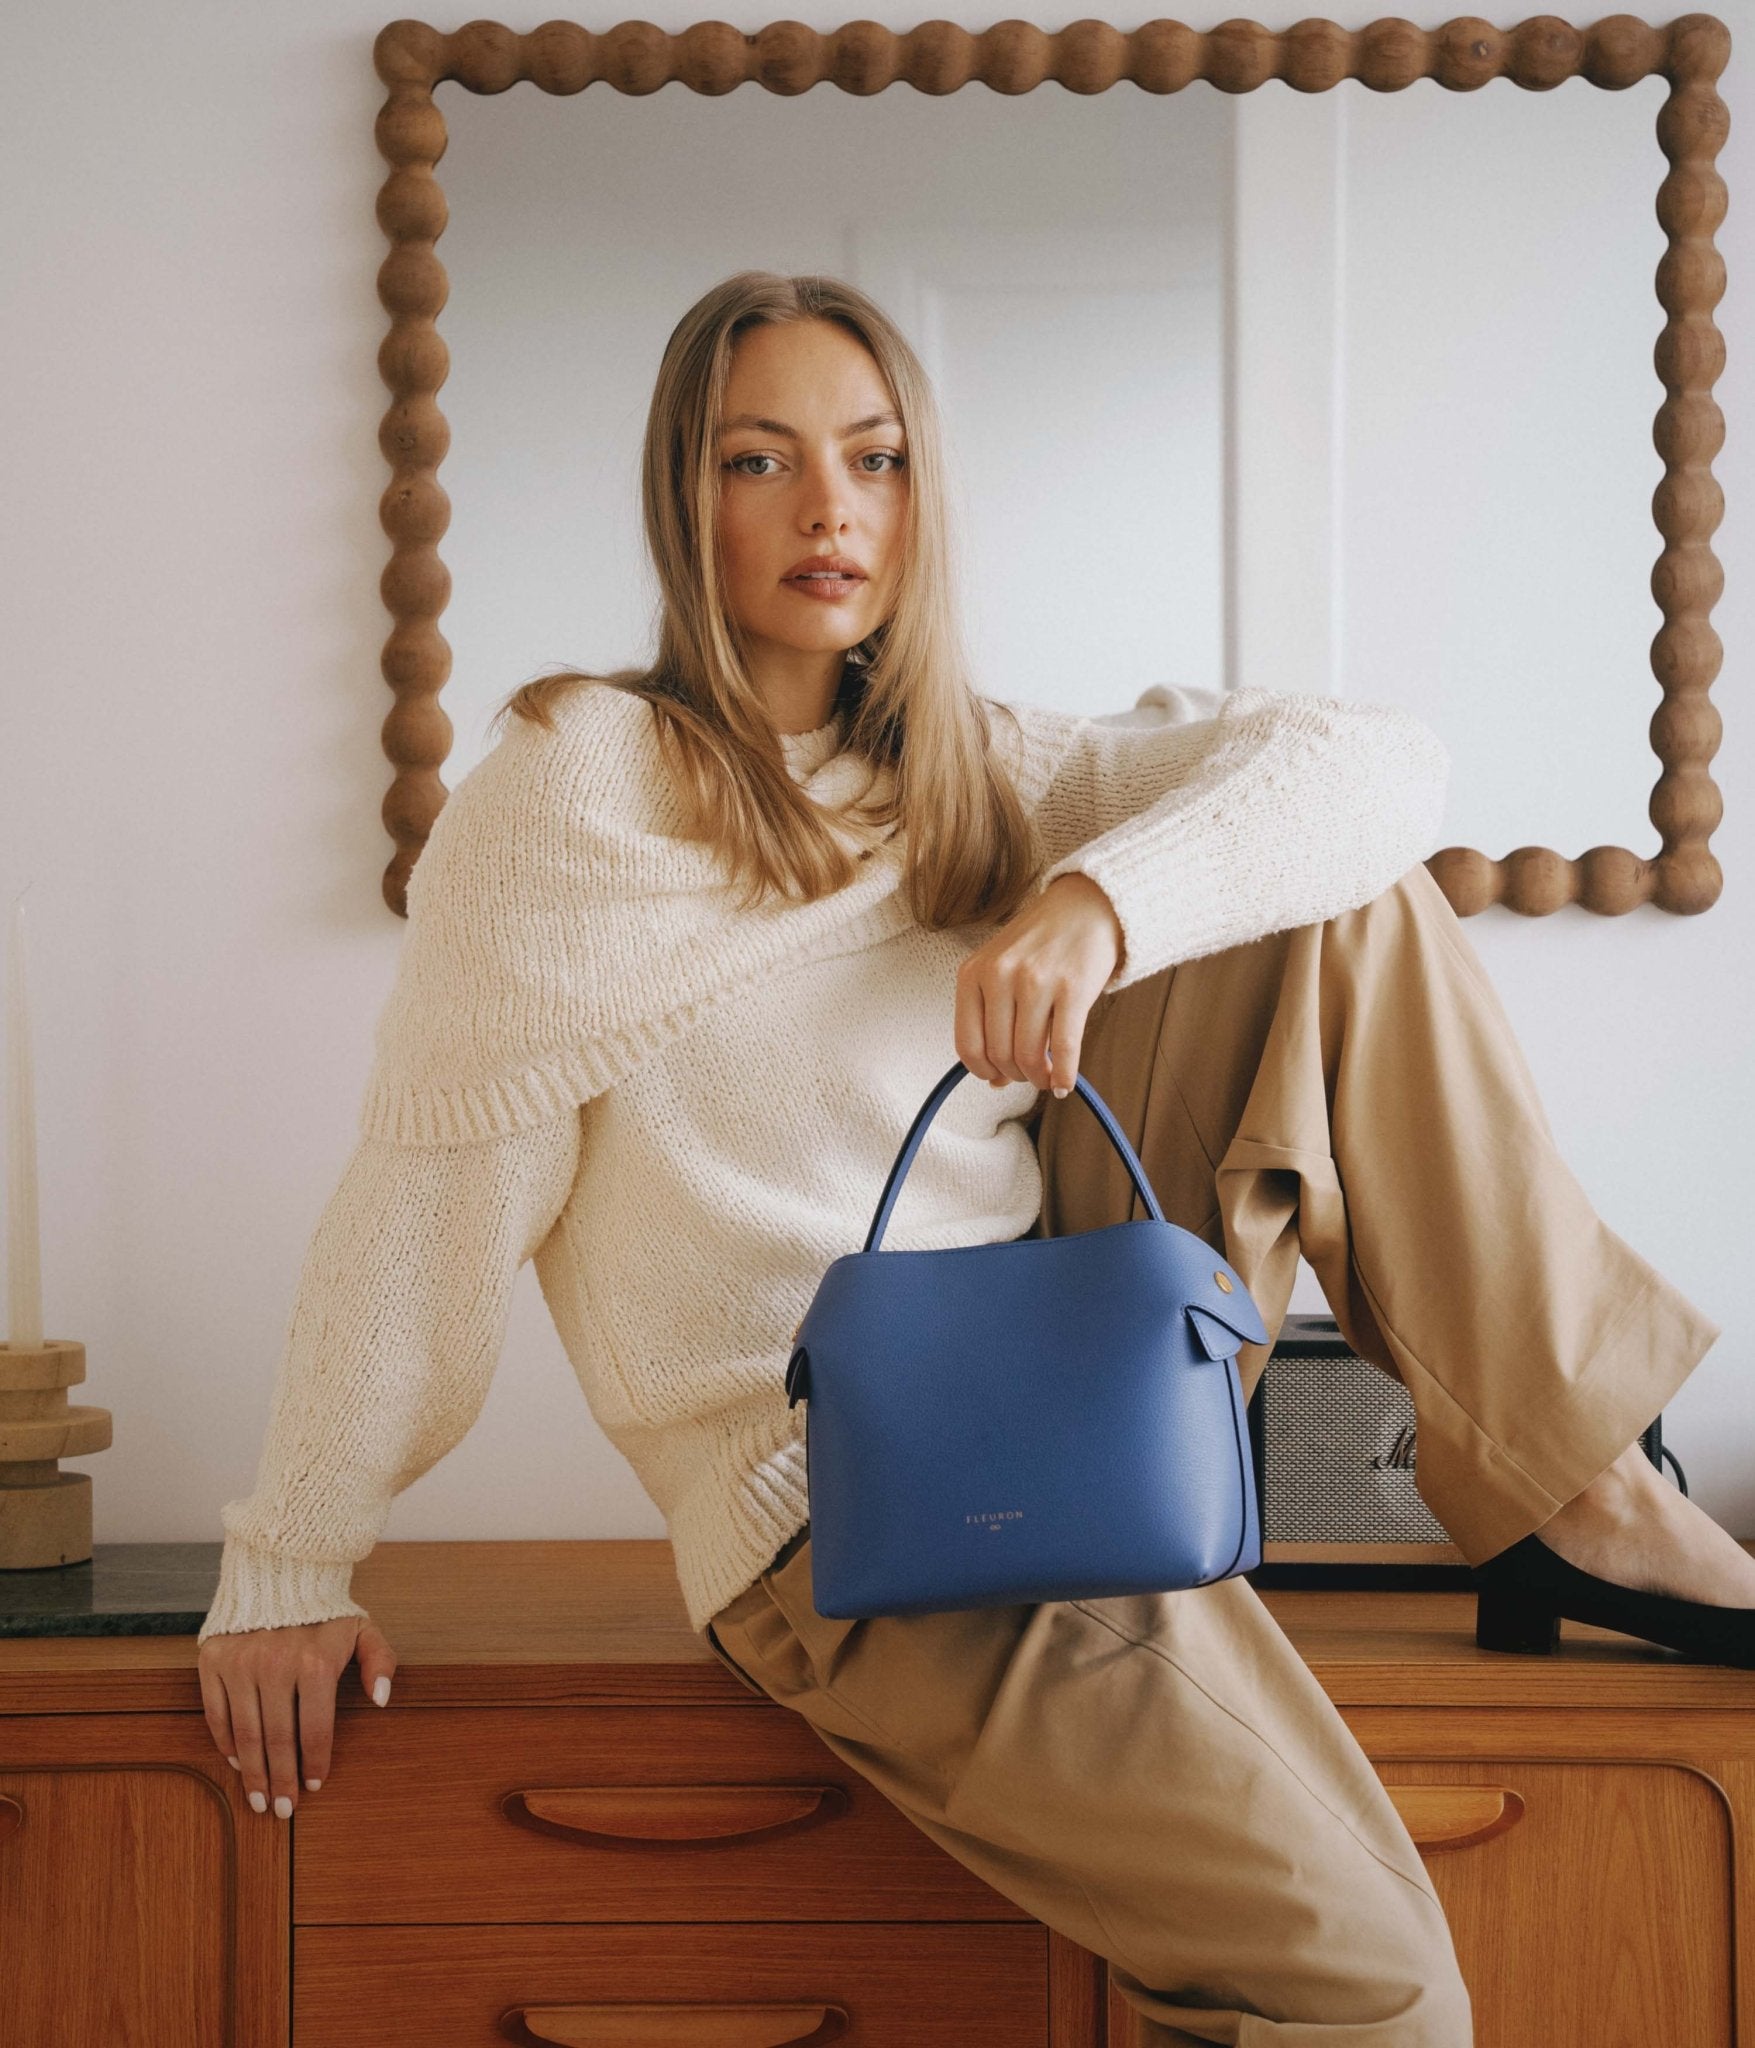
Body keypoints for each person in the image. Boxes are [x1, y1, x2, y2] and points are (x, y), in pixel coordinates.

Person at [198, 271, 1743, 2045]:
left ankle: (1575, 1488)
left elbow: (1376, 767)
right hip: (851, 1490)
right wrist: (290, 1566)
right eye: (759, 459)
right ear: (682, 500)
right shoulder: (576, 787)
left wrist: (1097, 906)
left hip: (1069, 1390)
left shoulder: (969, 770)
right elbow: (425, 1208)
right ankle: (1570, 1509)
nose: (828, 508)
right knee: (1379, 1990)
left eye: (874, 459)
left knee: (1347, 897)